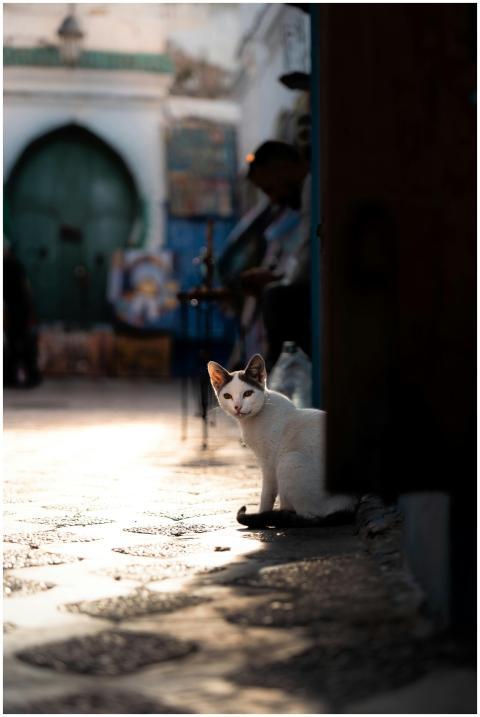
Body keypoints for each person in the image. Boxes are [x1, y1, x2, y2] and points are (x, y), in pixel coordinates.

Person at [244, 140, 312, 369]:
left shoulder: (314, 188)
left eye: (269, 189)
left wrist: (276, 280)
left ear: (282, 168)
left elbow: (305, 266)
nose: (272, 199)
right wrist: (276, 276)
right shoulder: (308, 192)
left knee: (278, 299)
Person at [3, 240, 42, 387]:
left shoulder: (9, 267)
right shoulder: (14, 266)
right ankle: (25, 376)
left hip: (16, 313)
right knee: (20, 346)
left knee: (17, 346)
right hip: (20, 312)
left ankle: (16, 377)